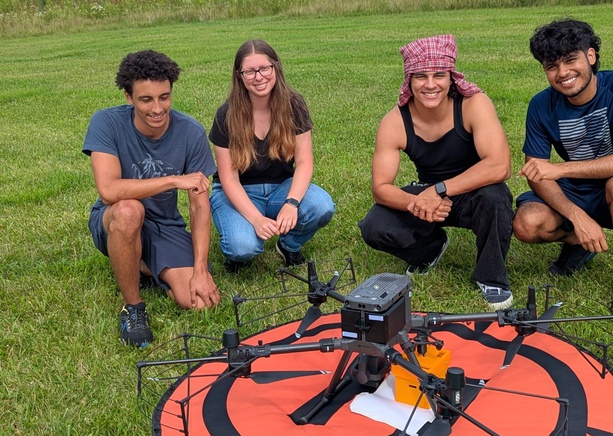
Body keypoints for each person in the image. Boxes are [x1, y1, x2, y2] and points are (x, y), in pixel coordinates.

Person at [359, 35, 514, 310]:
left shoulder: (473, 104)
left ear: (452, 77)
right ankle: (429, 249)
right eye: (420, 76)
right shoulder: (395, 121)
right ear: (409, 80)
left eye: (439, 75)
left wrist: (439, 190)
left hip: (474, 189)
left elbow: (500, 166)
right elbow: (381, 188)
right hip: (426, 193)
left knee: (495, 197)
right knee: (374, 225)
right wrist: (418, 202)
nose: (430, 85)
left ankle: (491, 277)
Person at [513, 19, 613, 313]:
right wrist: (577, 216)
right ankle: (578, 241)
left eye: (570, 60)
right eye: (552, 66)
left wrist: (562, 169)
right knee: (526, 224)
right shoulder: (540, 105)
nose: (563, 73)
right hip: (575, 191)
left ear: (590, 56)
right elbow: (536, 173)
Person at [84, 50, 221, 348]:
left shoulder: (191, 132)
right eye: (146, 99)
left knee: (199, 301)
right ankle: (133, 308)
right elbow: (109, 191)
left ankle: (139, 262)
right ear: (129, 96)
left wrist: (200, 269)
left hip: (164, 224)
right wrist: (173, 180)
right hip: (114, 218)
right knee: (129, 211)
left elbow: (199, 207)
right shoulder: (106, 122)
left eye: (164, 97)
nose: (157, 108)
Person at [208, 39, 335, 271]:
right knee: (242, 247)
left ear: (276, 67)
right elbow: (228, 179)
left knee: (321, 205)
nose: (259, 77)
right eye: (249, 71)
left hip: (281, 188)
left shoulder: (294, 105)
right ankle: (239, 248)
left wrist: (291, 203)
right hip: (238, 191)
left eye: (264, 68)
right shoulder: (226, 114)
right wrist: (256, 219)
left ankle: (289, 245)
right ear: (239, 76)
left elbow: (304, 162)